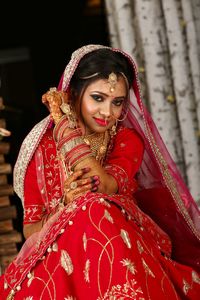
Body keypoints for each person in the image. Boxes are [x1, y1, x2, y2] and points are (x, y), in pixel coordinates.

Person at [0, 44, 200, 300]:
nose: (108, 112)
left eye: (117, 102)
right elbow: (31, 229)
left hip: (124, 243)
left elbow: (101, 185)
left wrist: (64, 126)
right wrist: (66, 207)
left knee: (94, 207)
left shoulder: (126, 140)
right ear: (73, 94)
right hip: (61, 253)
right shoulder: (40, 147)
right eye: (98, 98)